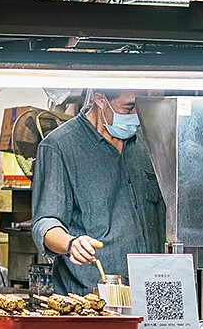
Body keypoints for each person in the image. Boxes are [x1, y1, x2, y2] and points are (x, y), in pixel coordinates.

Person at [30, 90, 165, 294]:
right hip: (90, 297)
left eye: (141, 107)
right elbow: (45, 223)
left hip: (151, 291)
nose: (137, 115)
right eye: (128, 107)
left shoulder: (149, 140)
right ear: (100, 99)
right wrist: (71, 243)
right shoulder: (60, 146)